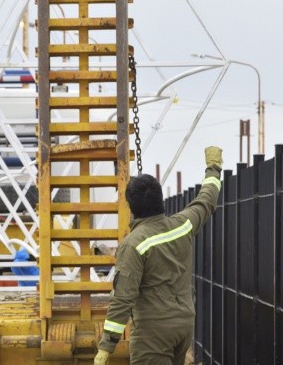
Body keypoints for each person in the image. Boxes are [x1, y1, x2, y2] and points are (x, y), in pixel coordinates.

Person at [94, 146, 223, 365]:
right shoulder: (182, 226)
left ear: (131, 207)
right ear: (160, 199)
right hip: (183, 326)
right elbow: (207, 199)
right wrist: (214, 167)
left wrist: (106, 347)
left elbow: (123, 298)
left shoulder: (134, 245)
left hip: (153, 334)